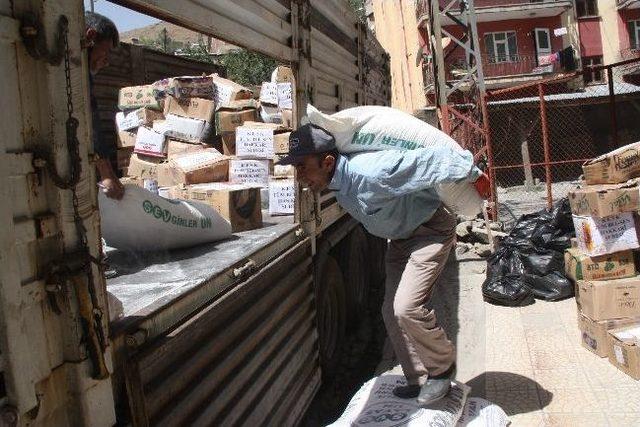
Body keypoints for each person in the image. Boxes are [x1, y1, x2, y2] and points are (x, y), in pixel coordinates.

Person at [277, 123, 487, 406]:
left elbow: (429, 160)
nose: (299, 177)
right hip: (400, 240)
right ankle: (419, 378)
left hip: (430, 232)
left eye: (302, 167)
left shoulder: (371, 171)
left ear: (327, 163)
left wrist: (474, 174)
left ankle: (441, 369)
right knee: (390, 312)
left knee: (407, 307)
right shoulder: (336, 184)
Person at [85, 12, 124, 200]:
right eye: (105, 51)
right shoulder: (76, 78)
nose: (106, 61)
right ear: (90, 37)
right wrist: (107, 174)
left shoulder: (82, 76)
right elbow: (90, 121)